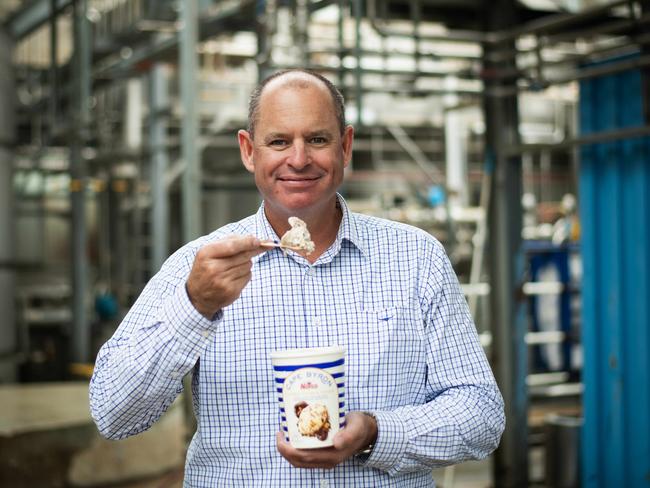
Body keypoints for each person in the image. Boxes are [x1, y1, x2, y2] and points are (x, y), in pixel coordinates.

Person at [90, 69, 504, 487]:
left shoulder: (416, 259)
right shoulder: (197, 268)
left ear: (345, 146)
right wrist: (195, 307)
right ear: (249, 151)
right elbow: (113, 414)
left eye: (318, 139)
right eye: (279, 141)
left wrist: (377, 433)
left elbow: (481, 413)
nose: (299, 158)